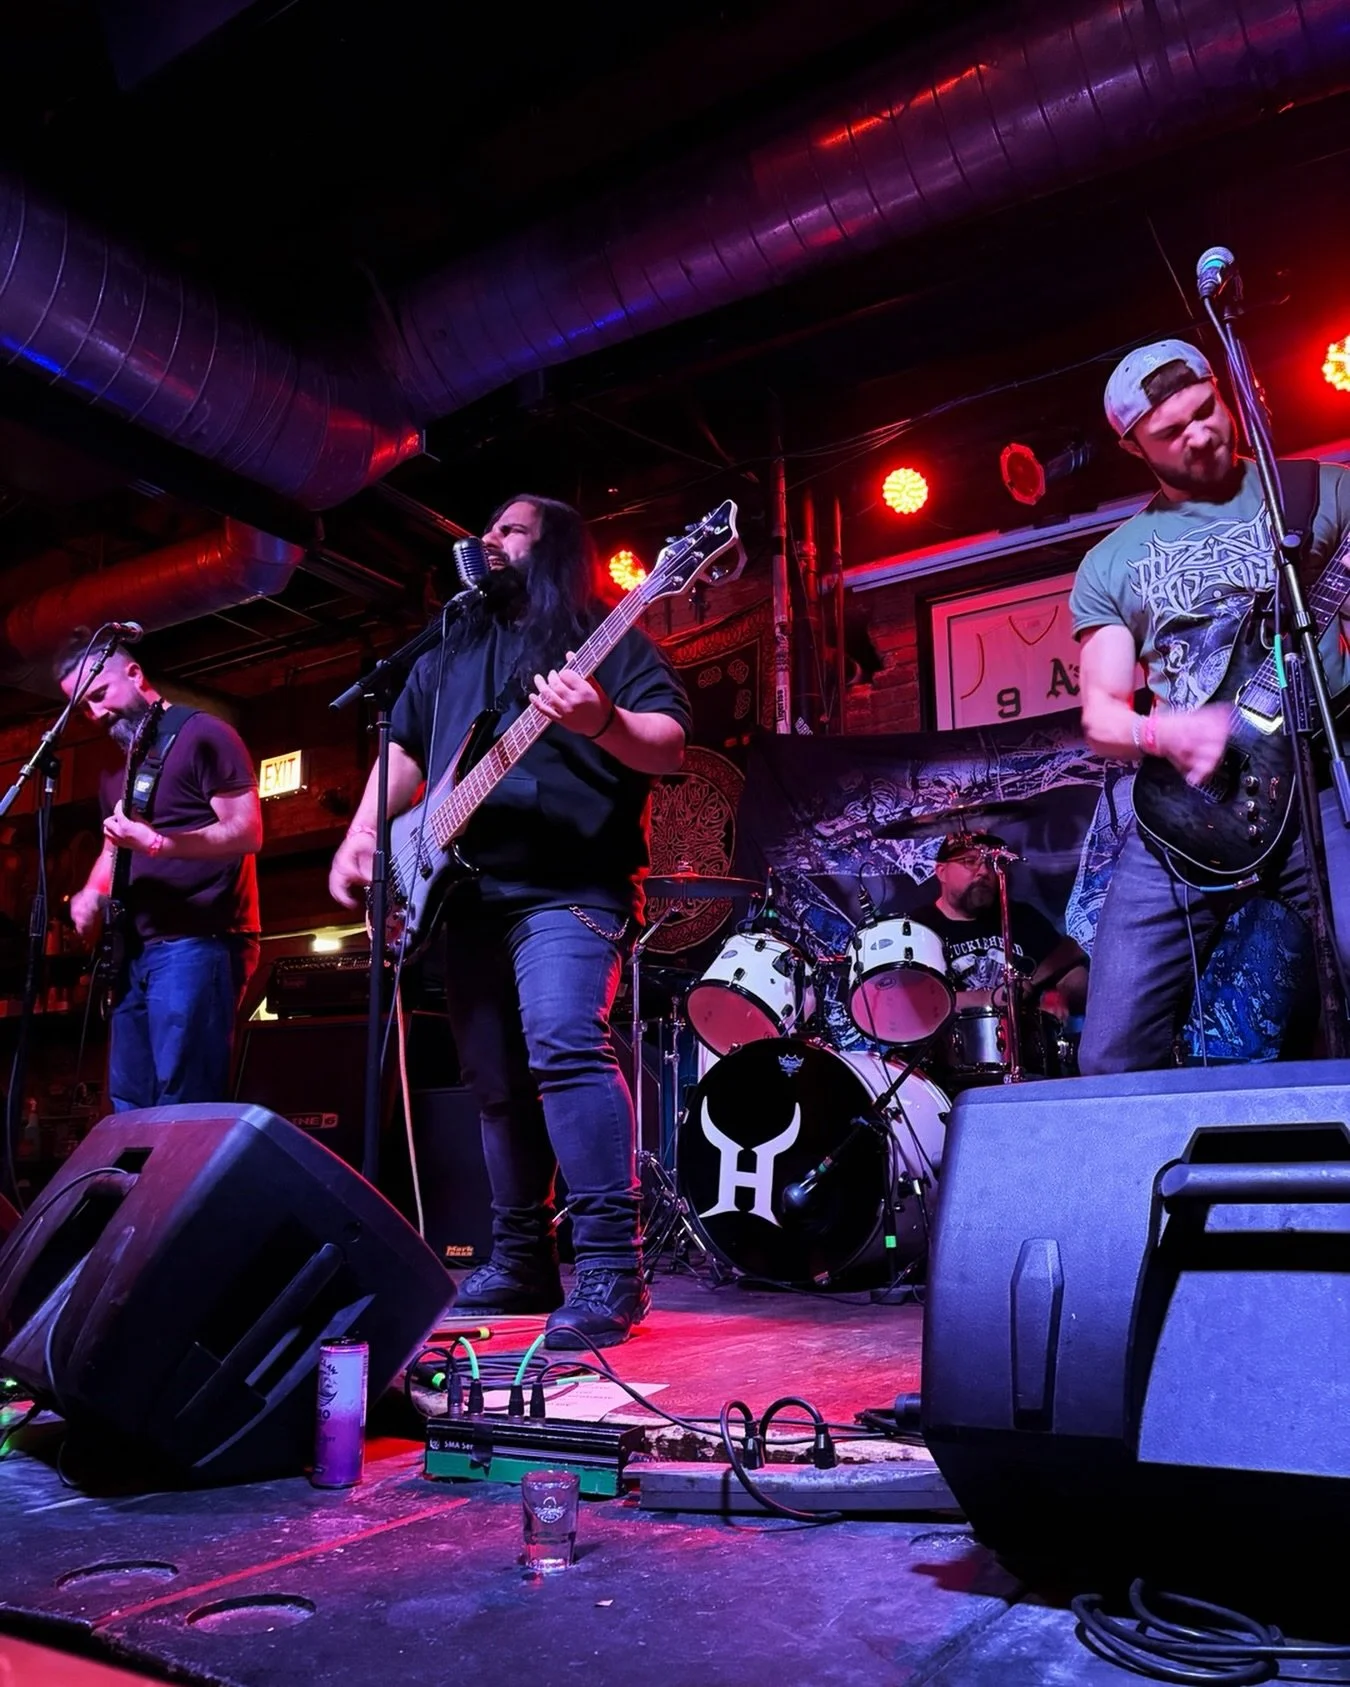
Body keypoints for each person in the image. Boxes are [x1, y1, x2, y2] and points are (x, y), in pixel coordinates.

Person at [328, 494, 691, 1349]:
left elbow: (668, 742)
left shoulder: (607, 633)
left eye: (510, 530)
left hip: (569, 882)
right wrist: (359, 836)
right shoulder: (449, 646)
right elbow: (407, 753)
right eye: (485, 527)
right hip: (465, 890)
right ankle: (522, 1257)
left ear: (554, 548)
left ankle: (611, 1267)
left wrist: (599, 717)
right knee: (494, 1084)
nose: (486, 539)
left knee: (565, 1045)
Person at [1070, 339, 1350, 1074]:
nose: (1199, 434)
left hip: (1317, 786)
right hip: (1188, 809)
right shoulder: (1112, 559)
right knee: (1109, 1052)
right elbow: (1102, 714)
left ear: (1227, 391)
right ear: (1134, 447)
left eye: (1205, 410)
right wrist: (1163, 728)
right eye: (1171, 431)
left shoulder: (1318, 494)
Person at [58, 634, 263, 1111]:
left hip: (202, 939)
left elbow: (247, 832)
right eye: (82, 707)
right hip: (137, 951)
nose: (96, 713)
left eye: (99, 694)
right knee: (131, 1102)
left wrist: (158, 842)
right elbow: (116, 839)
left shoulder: (202, 734)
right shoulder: (117, 766)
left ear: (134, 674)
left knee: (184, 1102)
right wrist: (91, 891)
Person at [912, 831, 1088, 1084]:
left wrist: (1059, 992)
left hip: (1030, 1064)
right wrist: (990, 998)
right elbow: (914, 1002)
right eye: (969, 862)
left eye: (991, 863)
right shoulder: (918, 928)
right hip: (949, 1071)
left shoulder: (1021, 917)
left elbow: (1073, 974)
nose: (983, 872)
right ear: (941, 872)